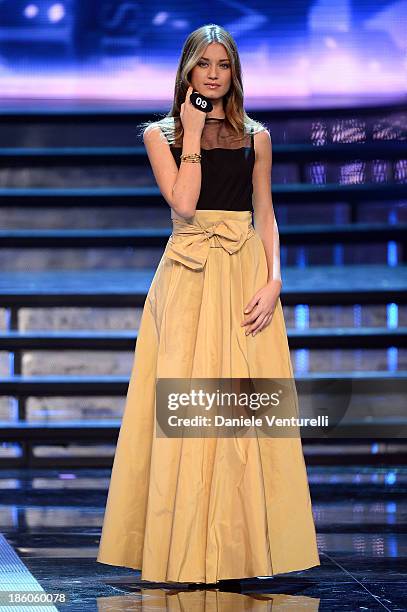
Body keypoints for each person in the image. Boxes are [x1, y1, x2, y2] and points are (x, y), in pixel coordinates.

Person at [96, 23, 320, 586]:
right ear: (188, 70)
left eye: (223, 64)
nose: (214, 73)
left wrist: (276, 281)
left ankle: (243, 551)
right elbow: (185, 205)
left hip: (245, 274)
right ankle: (182, 548)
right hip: (189, 278)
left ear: (234, 70)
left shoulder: (256, 136)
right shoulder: (160, 135)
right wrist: (191, 133)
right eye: (204, 64)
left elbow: (265, 214)